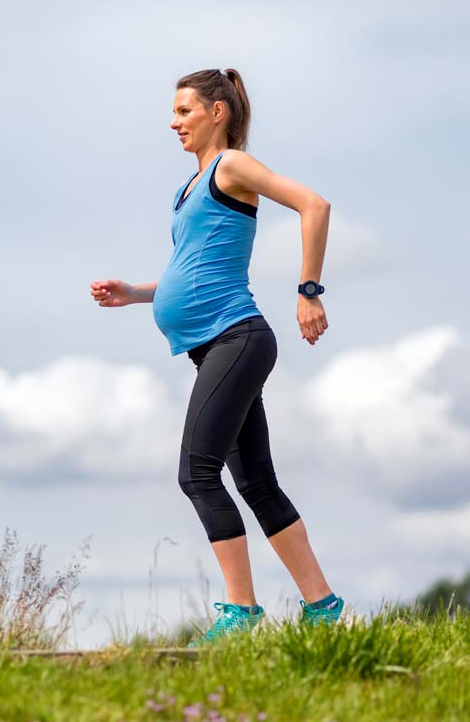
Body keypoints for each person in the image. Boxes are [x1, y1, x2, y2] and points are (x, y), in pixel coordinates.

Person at [89, 68, 344, 646]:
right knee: (255, 482)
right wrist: (136, 293)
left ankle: (241, 613)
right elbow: (193, 269)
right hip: (216, 348)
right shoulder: (190, 187)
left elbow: (315, 205)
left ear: (217, 112)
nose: (174, 122)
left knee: (196, 473)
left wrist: (308, 291)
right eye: (174, 112)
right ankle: (322, 606)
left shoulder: (231, 166)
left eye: (184, 110)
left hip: (238, 337)